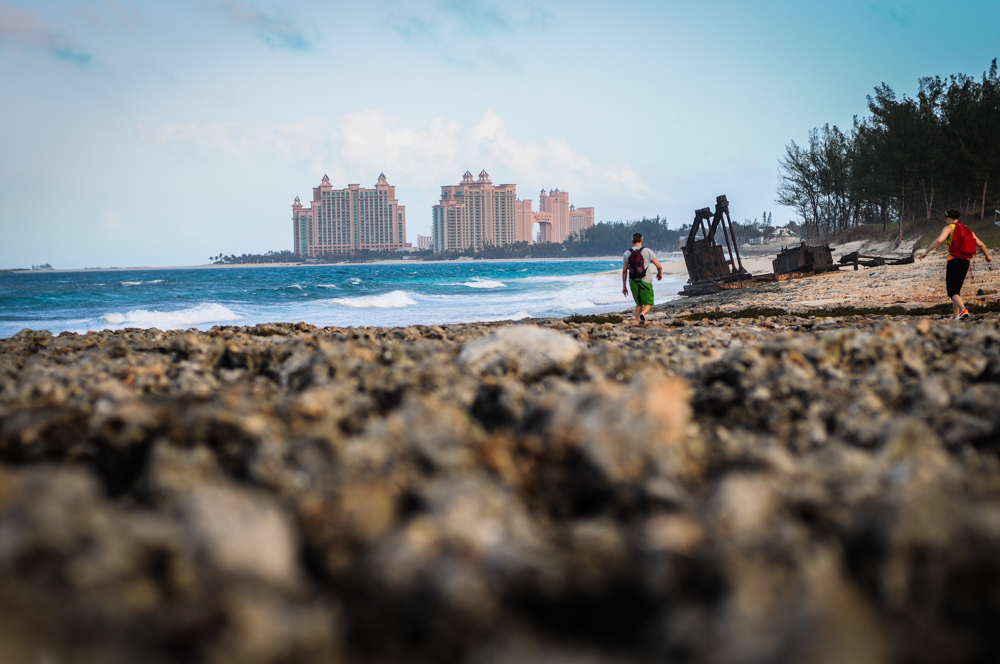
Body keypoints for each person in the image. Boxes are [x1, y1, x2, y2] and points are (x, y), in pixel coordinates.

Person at [919, 209, 992, 320]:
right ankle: (955, 317)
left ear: (948, 218)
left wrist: (926, 251)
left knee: (952, 292)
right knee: (956, 291)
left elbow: (939, 240)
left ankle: (963, 310)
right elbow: (981, 244)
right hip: (965, 262)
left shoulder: (949, 228)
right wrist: (987, 256)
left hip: (954, 261)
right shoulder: (967, 229)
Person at [621, 232, 663, 323]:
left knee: (639, 303)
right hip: (645, 280)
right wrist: (659, 273)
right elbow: (659, 266)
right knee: (648, 303)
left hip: (633, 281)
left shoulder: (627, 253)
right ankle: (643, 314)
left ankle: (638, 322)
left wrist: (624, 286)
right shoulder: (647, 251)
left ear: (632, 241)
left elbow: (624, 271)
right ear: (642, 241)